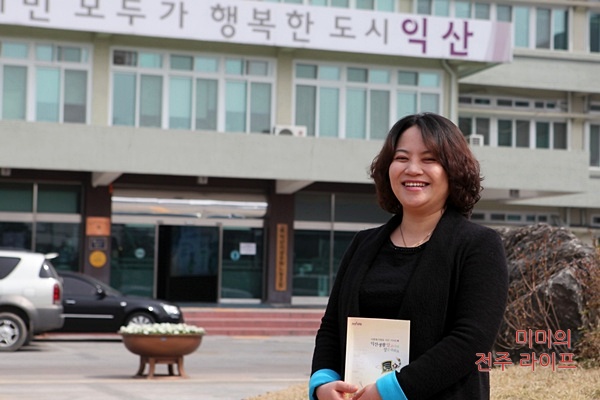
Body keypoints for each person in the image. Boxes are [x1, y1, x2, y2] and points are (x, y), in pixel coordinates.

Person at [309, 113, 509, 400]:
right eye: (401, 158)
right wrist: (323, 383)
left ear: (453, 170)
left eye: (429, 159)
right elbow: (332, 326)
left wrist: (390, 391)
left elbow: (471, 341)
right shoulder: (363, 243)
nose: (413, 169)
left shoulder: (478, 245)